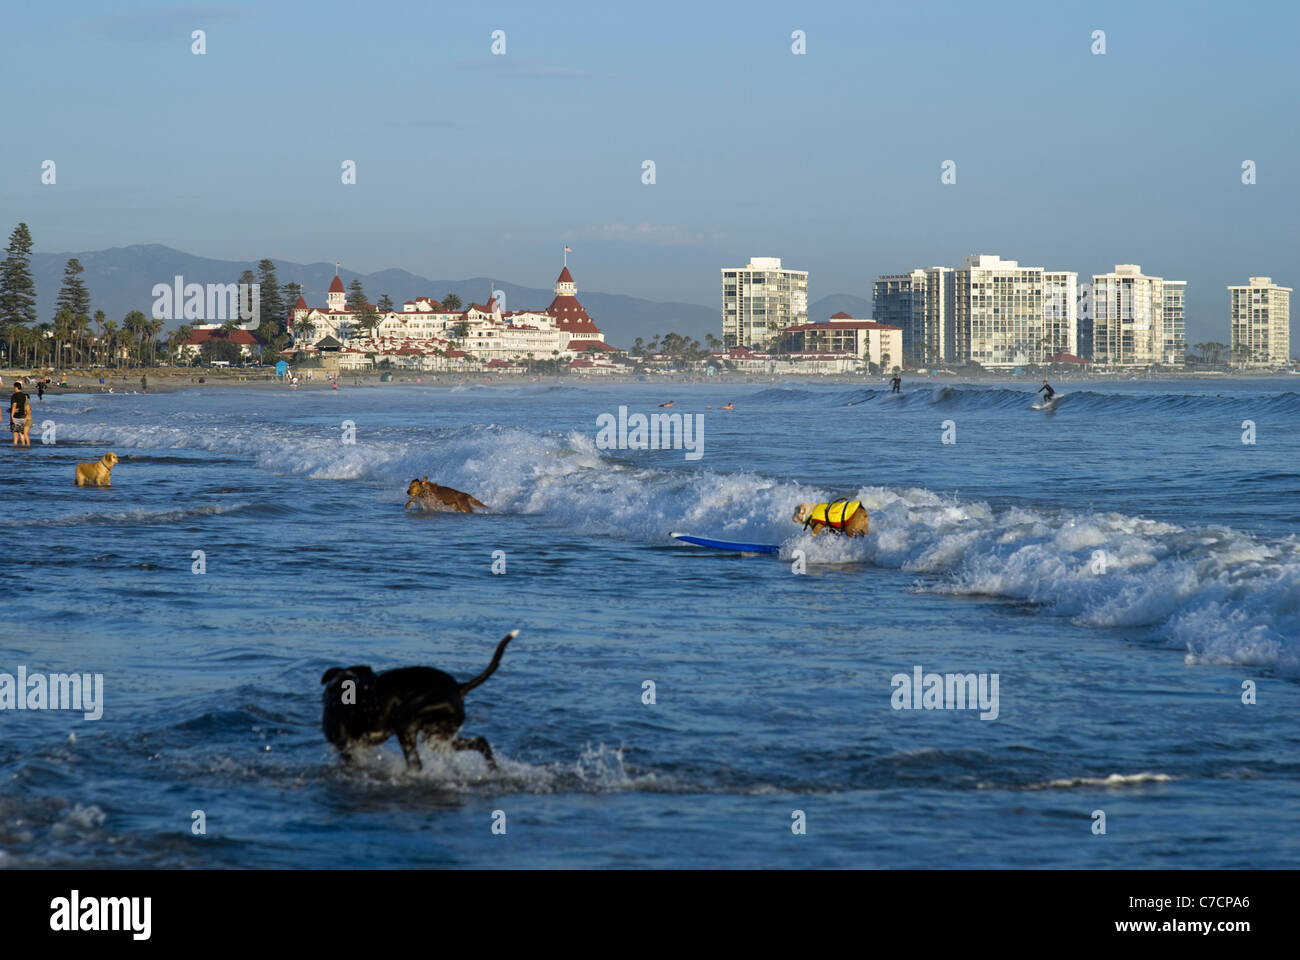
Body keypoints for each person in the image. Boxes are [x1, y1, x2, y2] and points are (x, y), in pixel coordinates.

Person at [9, 380, 32, 446]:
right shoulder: (24, 396)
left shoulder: (14, 395)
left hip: (16, 416)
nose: (13, 389)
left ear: (16, 387)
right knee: (21, 433)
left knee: (15, 433)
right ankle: (24, 445)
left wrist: (12, 416)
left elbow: (14, 405)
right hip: (23, 416)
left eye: (14, 387)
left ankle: (15, 446)